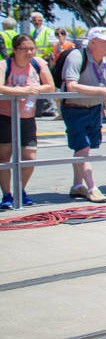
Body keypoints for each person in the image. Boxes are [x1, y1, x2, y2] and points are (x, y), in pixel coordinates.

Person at [58, 27, 106, 202]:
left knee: (84, 149)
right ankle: (92, 187)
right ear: (92, 42)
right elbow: (72, 85)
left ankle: (77, 185)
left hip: (94, 108)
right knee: (83, 148)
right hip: (74, 108)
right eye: (105, 41)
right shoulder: (76, 56)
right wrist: (103, 91)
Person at [0, 34, 55, 209]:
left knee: (29, 157)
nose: (29, 52)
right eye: (24, 49)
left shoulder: (38, 64)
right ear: (15, 50)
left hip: (28, 117)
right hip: (5, 116)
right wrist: (19, 91)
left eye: (32, 48)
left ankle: (20, 190)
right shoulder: (5, 65)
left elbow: (50, 86)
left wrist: (34, 89)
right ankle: (7, 195)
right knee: (4, 158)